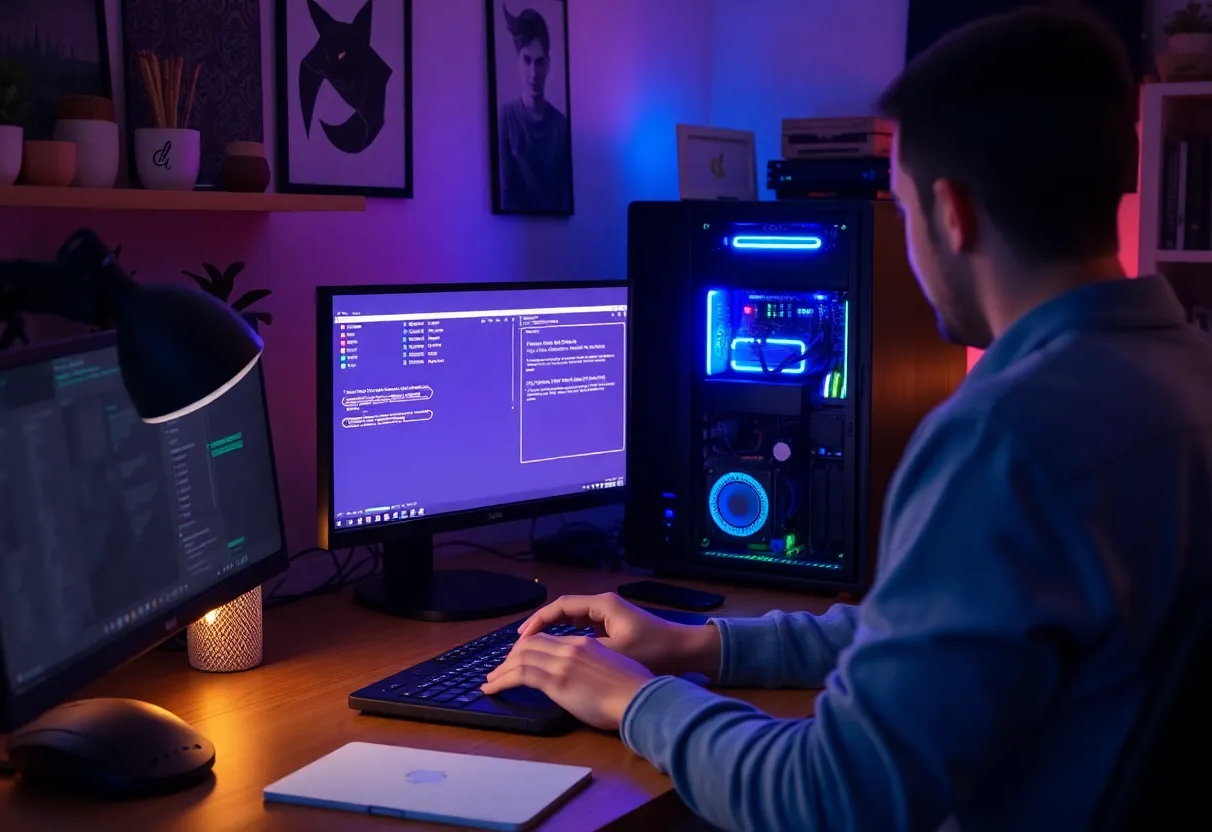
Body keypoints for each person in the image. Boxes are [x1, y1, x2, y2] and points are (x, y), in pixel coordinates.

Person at [480, 8, 1212, 831]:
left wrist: (639, 700)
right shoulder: (1183, 375)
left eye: (898, 212)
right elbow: (933, 631)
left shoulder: (1006, 438)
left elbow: (825, 798)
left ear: (953, 214)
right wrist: (701, 645)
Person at [496, 7, 572, 213]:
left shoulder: (561, 127)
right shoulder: (506, 118)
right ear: (517, 61)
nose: (533, 74)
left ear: (548, 65)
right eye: (527, 60)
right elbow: (507, 196)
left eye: (539, 62)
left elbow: (563, 201)